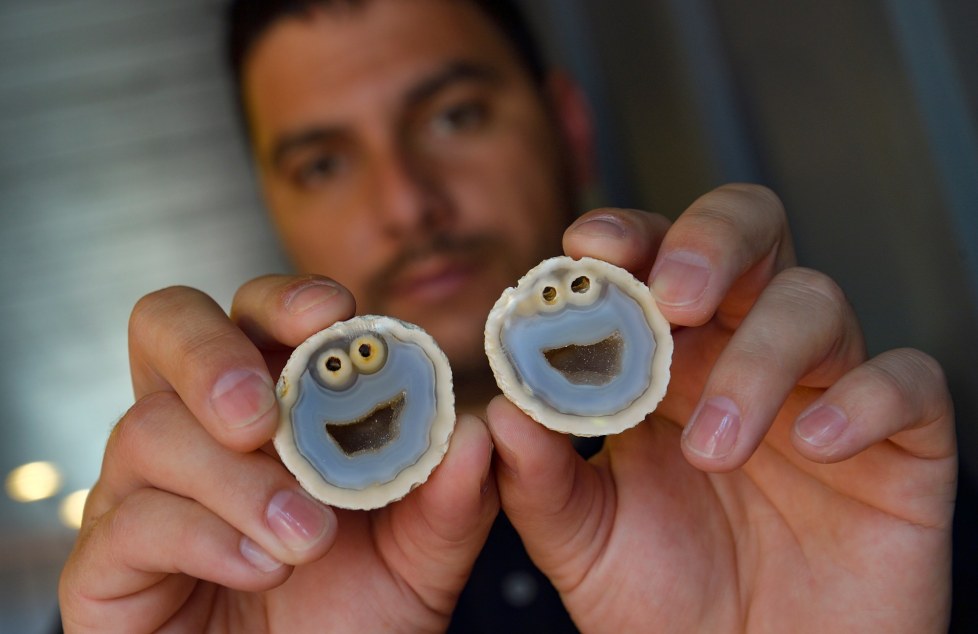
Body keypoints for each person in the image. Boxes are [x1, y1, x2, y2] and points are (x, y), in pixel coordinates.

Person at [58, 0, 956, 631]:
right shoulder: (209, 582)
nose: (407, 203)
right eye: (324, 165)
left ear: (568, 126)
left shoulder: (852, 508)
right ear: (274, 207)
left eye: (453, 115)